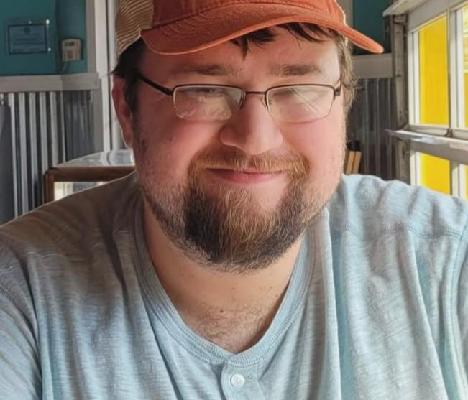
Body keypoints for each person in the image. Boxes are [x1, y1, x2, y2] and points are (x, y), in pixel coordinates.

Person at [1, 0, 467, 398]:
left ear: (343, 100)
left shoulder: (445, 260)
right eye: (204, 90)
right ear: (127, 109)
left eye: (299, 89)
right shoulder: (23, 290)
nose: (255, 140)